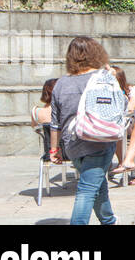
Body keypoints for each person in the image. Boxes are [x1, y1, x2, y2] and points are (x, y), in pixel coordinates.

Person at [49, 37, 118, 225]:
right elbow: (122, 107)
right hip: (99, 140)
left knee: (97, 184)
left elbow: (55, 122)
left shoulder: (61, 84)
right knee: (87, 190)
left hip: (72, 144)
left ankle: (108, 220)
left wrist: (54, 149)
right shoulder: (103, 78)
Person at [109, 66, 135, 168]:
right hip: (111, 121)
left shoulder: (132, 90)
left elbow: (130, 108)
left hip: (129, 121)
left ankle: (121, 163)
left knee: (119, 130)